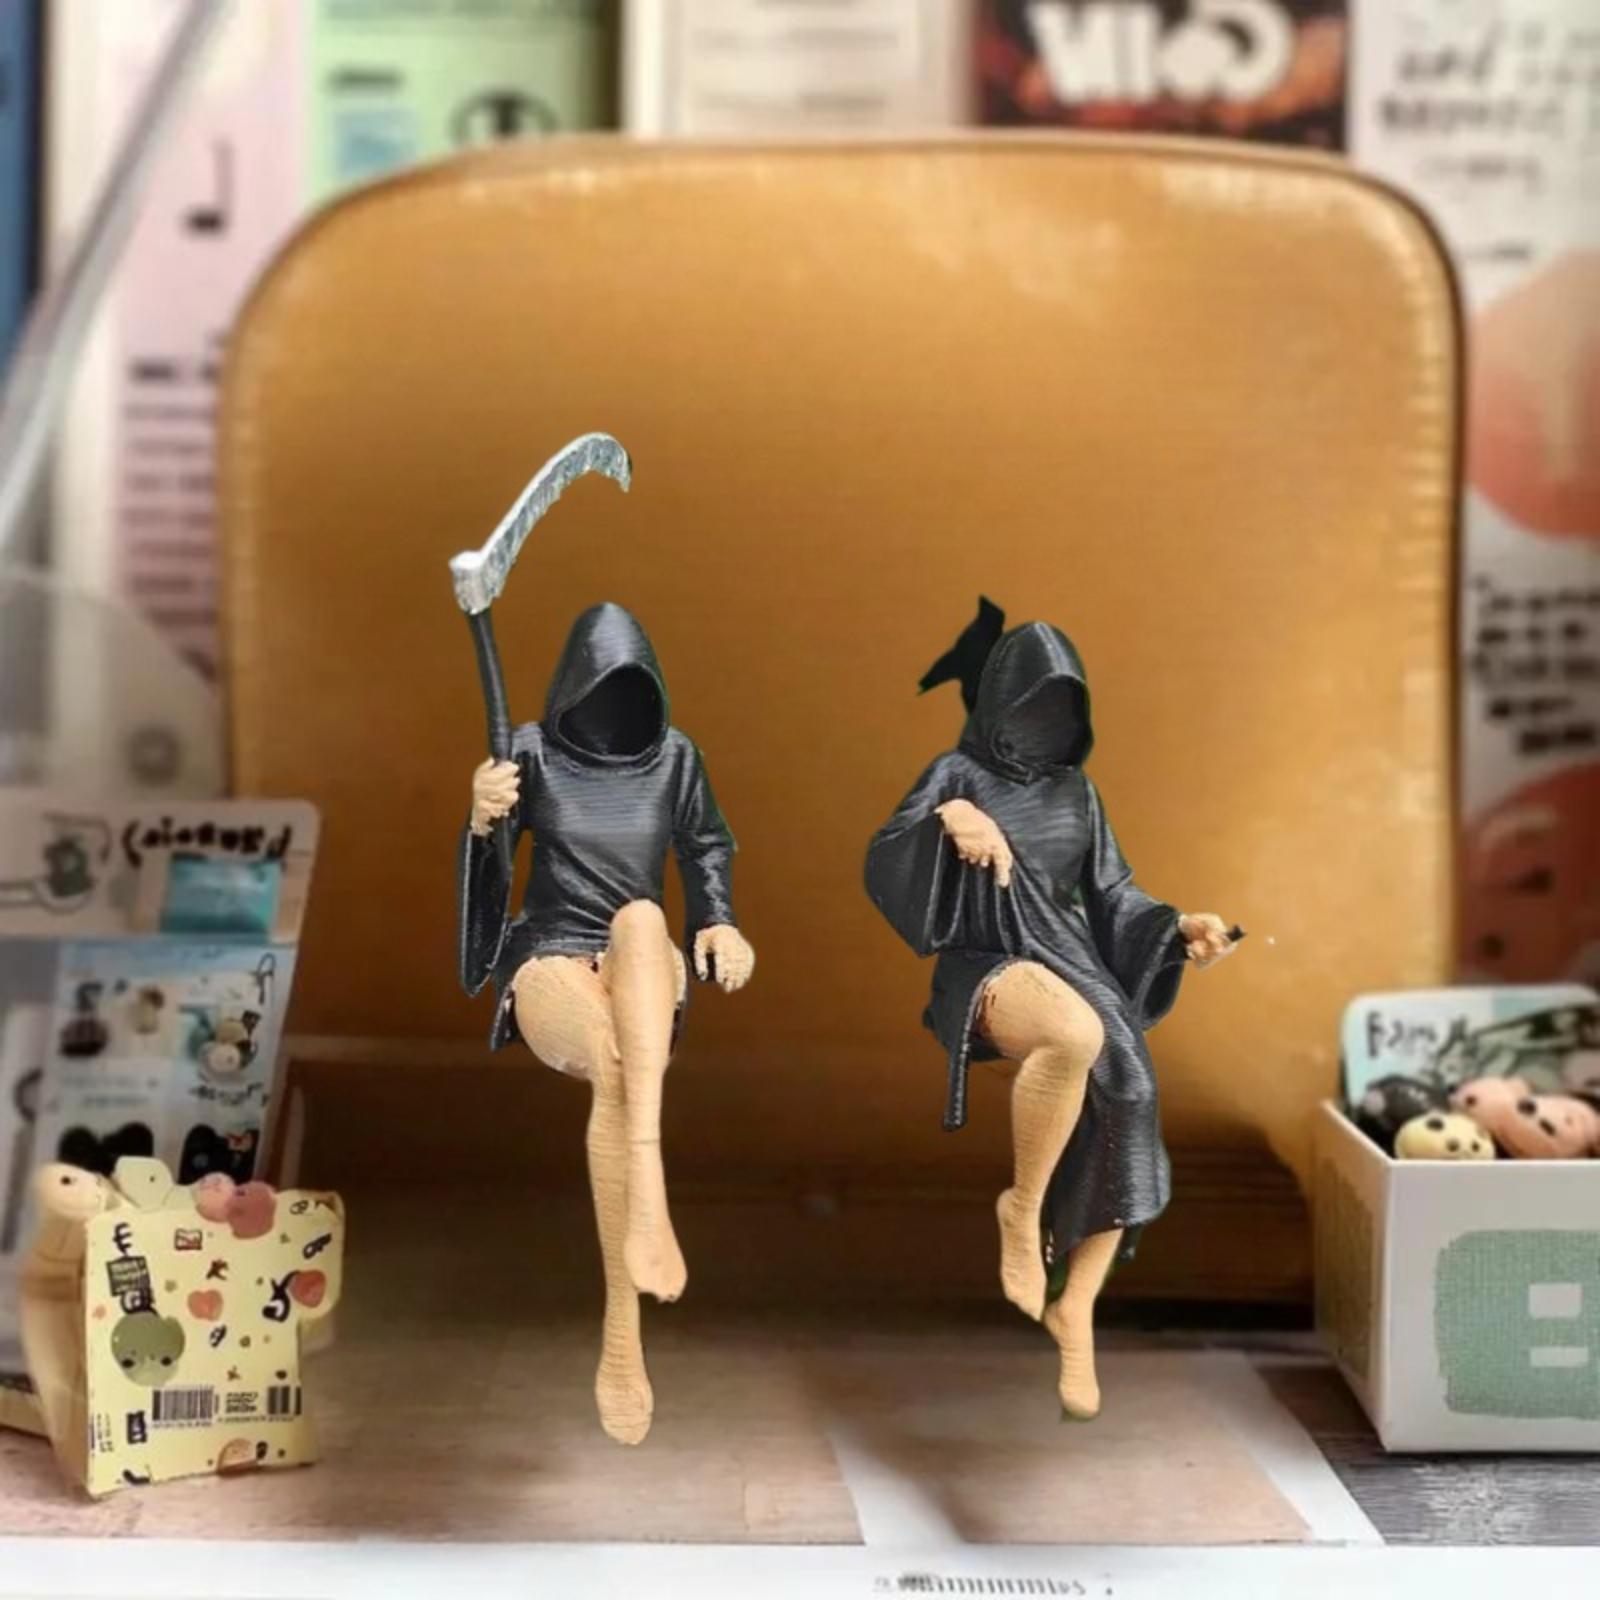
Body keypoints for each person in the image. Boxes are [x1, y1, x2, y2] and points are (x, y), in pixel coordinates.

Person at [865, 605, 1236, 1417]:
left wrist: (1177, 927)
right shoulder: (955, 772)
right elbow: (888, 854)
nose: (1046, 717)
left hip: (1071, 957)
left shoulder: (1078, 793)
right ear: (1001, 701)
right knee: (1073, 1034)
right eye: (1034, 701)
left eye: (1062, 704)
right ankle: (1022, 1209)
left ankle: (1079, 1308)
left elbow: (1113, 894)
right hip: (990, 960)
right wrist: (951, 818)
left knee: (1131, 1096)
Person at [461, 601, 754, 1443]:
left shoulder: (678, 758)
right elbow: (491, 881)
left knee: (640, 917)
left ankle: (642, 1203)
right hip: (552, 954)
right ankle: (625, 1324)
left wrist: (719, 921)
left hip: (643, 960)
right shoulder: (526, 753)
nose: (616, 700)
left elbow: (706, 845)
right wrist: (482, 821)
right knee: (617, 1064)